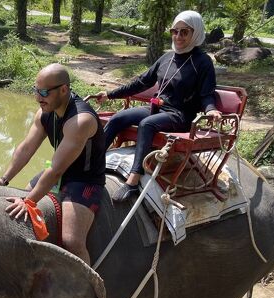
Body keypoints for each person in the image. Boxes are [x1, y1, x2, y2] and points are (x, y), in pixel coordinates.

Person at [90, 10, 222, 203]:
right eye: (174, 31)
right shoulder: (167, 58)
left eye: (184, 32)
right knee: (119, 118)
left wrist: (211, 109)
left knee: (147, 124)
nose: (178, 36)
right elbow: (141, 82)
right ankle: (93, 163)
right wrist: (110, 94)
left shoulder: (202, 62)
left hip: (181, 115)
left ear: (196, 33)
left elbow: (207, 93)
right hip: (158, 109)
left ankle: (133, 181)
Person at [0, 63, 106, 265]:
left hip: (84, 179)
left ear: (64, 89)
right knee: (20, 204)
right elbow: (26, 148)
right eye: (36, 91)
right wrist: (4, 179)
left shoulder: (80, 120)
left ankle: (87, 291)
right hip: (59, 170)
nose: (38, 98)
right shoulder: (44, 112)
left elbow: (55, 170)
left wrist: (29, 202)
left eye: (44, 92)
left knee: (72, 240)